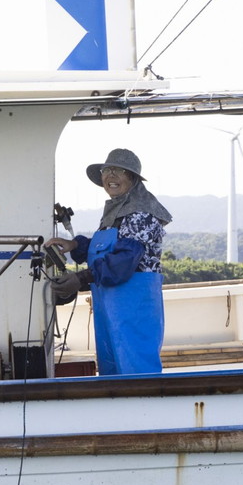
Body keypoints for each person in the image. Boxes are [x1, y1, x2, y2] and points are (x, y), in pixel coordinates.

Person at [46, 148, 172, 375]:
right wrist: (75, 245)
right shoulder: (115, 212)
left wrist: (79, 279)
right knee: (112, 368)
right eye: (107, 170)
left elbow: (123, 262)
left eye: (119, 171)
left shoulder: (140, 214)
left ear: (132, 178)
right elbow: (103, 248)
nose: (110, 177)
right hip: (110, 307)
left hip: (132, 307)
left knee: (137, 369)